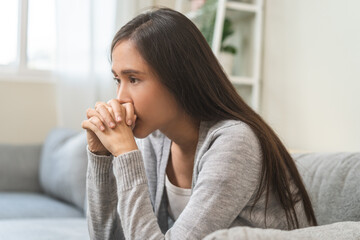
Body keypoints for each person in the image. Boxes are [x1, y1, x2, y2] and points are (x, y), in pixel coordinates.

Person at [81, 7, 317, 240]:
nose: (120, 97)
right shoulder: (156, 139)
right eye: (117, 80)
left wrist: (126, 155)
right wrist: (100, 157)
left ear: (178, 78)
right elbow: (107, 237)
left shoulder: (235, 142)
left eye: (133, 79)